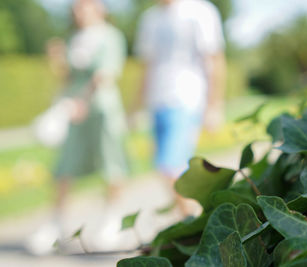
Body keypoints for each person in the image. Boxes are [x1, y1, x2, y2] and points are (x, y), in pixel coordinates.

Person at [25, 0, 130, 254]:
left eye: (84, 6)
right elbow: (69, 77)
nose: (78, 11)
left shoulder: (110, 36)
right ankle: (56, 224)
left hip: (100, 110)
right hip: (73, 111)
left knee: (111, 163)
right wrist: (58, 60)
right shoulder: (73, 38)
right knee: (64, 167)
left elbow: (104, 74)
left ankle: (112, 221)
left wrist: (83, 100)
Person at [134, 0, 226, 214]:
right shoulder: (150, 18)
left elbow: (214, 60)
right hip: (157, 102)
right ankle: (190, 220)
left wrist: (214, 105)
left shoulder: (200, 11)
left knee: (170, 166)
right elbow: (146, 67)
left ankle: (192, 222)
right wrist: (136, 107)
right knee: (165, 167)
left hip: (186, 98)